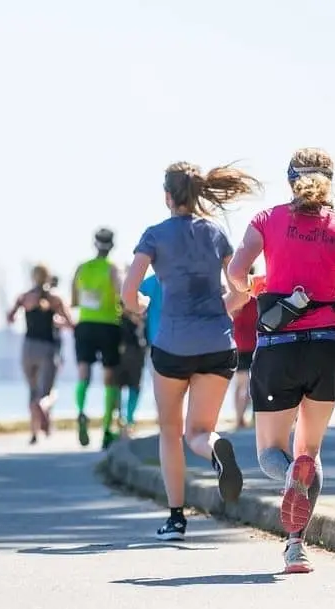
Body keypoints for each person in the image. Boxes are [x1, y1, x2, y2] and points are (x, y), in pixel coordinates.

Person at [227, 148, 335, 574]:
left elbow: (237, 273)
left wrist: (256, 285)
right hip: (329, 345)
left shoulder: (266, 220)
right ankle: (296, 548)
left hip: (279, 346)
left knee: (271, 455)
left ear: (290, 179)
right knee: (310, 452)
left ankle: (294, 477)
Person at [122, 161, 256, 542]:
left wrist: (140, 307)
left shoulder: (154, 235)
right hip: (218, 345)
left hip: (172, 347)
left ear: (167, 196)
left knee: (170, 432)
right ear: (197, 194)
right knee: (200, 431)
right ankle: (215, 449)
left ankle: (176, 518)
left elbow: (128, 291)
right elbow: (242, 290)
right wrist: (223, 308)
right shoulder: (215, 234)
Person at [7, 264, 74, 444]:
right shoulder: (55, 299)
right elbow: (71, 323)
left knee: (32, 389)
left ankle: (34, 432)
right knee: (47, 392)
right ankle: (43, 407)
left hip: (28, 348)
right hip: (47, 348)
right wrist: (60, 322)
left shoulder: (24, 297)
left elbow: (10, 318)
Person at [72, 228, 123, 449]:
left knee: (84, 372)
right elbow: (121, 296)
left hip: (85, 323)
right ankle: (106, 428)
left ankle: (81, 411)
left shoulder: (81, 268)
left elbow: (73, 300)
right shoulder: (113, 269)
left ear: (95, 244)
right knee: (109, 377)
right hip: (109, 325)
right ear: (111, 246)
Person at [115, 296, 149, 435]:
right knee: (123, 388)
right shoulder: (120, 322)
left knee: (133, 388)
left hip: (134, 357)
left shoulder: (141, 322)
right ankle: (123, 418)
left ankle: (128, 419)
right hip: (125, 357)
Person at [230, 272, 259, 429]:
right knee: (254, 385)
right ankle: (252, 416)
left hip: (239, 347)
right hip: (255, 346)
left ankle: (239, 418)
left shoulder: (236, 301)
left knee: (240, 385)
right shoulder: (256, 300)